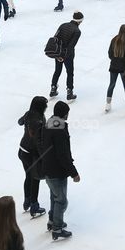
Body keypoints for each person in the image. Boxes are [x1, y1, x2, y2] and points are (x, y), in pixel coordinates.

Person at [39, 100, 80, 240]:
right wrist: (73, 172)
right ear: (64, 114)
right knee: (62, 201)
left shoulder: (49, 124)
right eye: (67, 112)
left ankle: (52, 221)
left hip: (48, 169)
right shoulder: (59, 131)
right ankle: (57, 228)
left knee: (54, 197)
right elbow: (63, 155)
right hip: (57, 171)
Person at [17, 96, 48, 217]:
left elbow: (20, 122)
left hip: (22, 150)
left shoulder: (29, 114)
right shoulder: (38, 121)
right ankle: (34, 206)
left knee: (28, 176)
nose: (46, 107)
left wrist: (25, 119)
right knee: (35, 178)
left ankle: (27, 201)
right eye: (45, 105)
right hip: (31, 153)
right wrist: (43, 156)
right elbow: (37, 141)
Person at [50, 12, 83, 99]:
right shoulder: (77, 31)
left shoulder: (63, 25)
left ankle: (53, 89)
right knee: (70, 73)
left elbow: (55, 38)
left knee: (57, 70)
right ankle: (69, 92)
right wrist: (63, 57)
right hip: (68, 55)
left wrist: (58, 55)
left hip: (57, 52)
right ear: (80, 21)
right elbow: (71, 46)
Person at [106, 24, 125, 116]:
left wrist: (115, 60)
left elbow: (110, 54)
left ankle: (108, 104)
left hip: (114, 66)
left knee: (111, 84)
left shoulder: (114, 39)